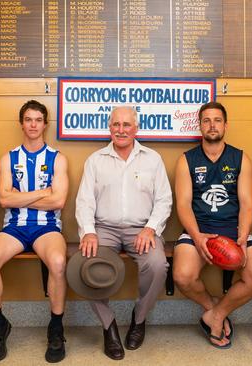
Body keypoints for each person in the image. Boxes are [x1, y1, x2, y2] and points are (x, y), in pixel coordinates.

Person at [75, 106, 172, 360]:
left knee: (158, 264)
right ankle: (109, 326)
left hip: (142, 230)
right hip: (103, 229)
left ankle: (139, 319)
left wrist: (150, 228)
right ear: (109, 128)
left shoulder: (153, 159)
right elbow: (84, 201)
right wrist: (88, 232)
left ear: (136, 128)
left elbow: (164, 200)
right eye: (116, 124)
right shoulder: (95, 161)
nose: (121, 130)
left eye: (126, 125)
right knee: (82, 266)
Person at [173, 101, 252, 349]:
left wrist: (243, 236)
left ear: (225, 125)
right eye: (206, 120)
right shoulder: (187, 160)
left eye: (217, 120)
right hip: (199, 228)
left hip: (234, 230)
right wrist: (196, 236)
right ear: (200, 126)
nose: (212, 125)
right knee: (183, 276)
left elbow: (248, 204)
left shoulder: (240, 158)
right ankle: (213, 307)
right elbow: (183, 205)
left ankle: (215, 316)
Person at [0, 100, 69, 363]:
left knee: (58, 261)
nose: (33, 124)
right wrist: (43, 192)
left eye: (38, 120)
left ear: (45, 124)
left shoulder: (57, 158)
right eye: (28, 119)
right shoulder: (8, 158)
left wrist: (23, 196)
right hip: (15, 228)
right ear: (22, 124)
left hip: (47, 227)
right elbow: (5, 200)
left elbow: (58, 202)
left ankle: (56, 327)